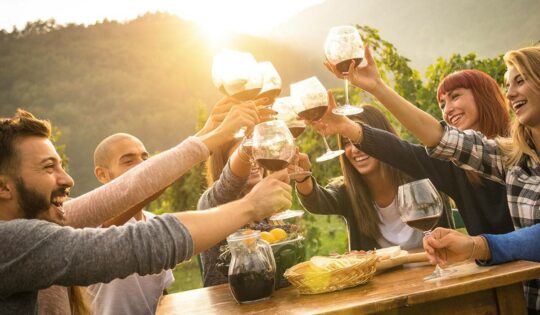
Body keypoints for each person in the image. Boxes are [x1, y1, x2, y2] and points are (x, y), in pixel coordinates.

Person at [0, 109, 292, 314]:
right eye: (48, 167)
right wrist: (249, 206)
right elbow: (146, 242)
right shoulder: (11, 243)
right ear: (3, 187)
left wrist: (209, 136)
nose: (67, 180)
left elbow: (127, 190)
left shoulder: (43, 219)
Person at [333, 44, 540, 312]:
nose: (510, 93)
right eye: (507, 84)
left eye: (520, 81)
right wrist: (375, 90)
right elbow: (437, 139)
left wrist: (477, 246)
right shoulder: (512, 157)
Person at [317, 68, 514, 236]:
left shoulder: (519, 150)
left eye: (455, 96)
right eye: (442, 104)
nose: (448, 109)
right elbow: (402, 152)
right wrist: (347, 127)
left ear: (483, 95)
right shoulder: (452, 165)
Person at [295, 104, 453, 252]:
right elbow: (317, 201)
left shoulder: (420, 178)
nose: (355, 150)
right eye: (346, 142)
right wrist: (303, 177)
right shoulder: (349, 192)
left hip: (438, 271)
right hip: (386, 282)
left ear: (380, 139)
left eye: (357, 139)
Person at [85, 133, 172, 315]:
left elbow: (162, 294)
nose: (142, 165)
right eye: (128, 161)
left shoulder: (155, 222)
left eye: (145, 157)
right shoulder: (91, 229)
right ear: (102, 174)